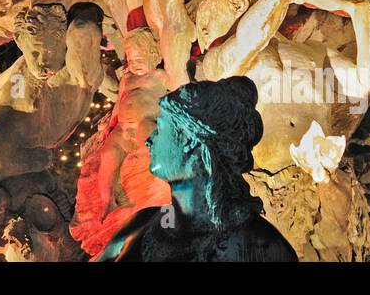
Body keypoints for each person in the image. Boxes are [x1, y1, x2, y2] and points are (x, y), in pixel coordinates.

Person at [99, 77, 297, 261]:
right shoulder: (142, 221)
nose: (149, 139)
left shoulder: (260, 244)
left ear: (191, 140)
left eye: (160, 128)